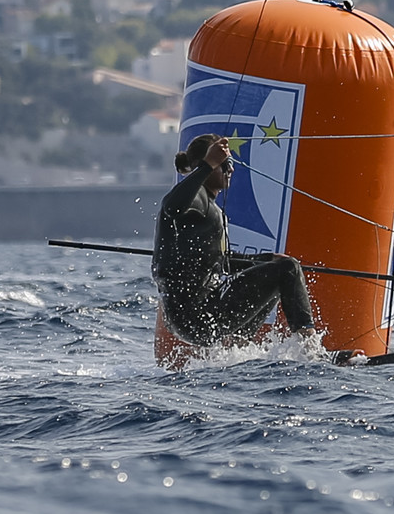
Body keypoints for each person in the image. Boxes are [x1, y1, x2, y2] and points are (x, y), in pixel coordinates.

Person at [152, 133, 356, 361]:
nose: (230, 170)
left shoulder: (210, 208)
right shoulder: (195, 199)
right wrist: (208, 165)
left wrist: (266, 260)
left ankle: (238, 354)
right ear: (207, 164)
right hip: (197, 315)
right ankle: (312, 351)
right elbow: (173, 207)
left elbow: (220, 262)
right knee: (288, 269)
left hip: (195, 316)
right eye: (225, 164)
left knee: (278, 270)